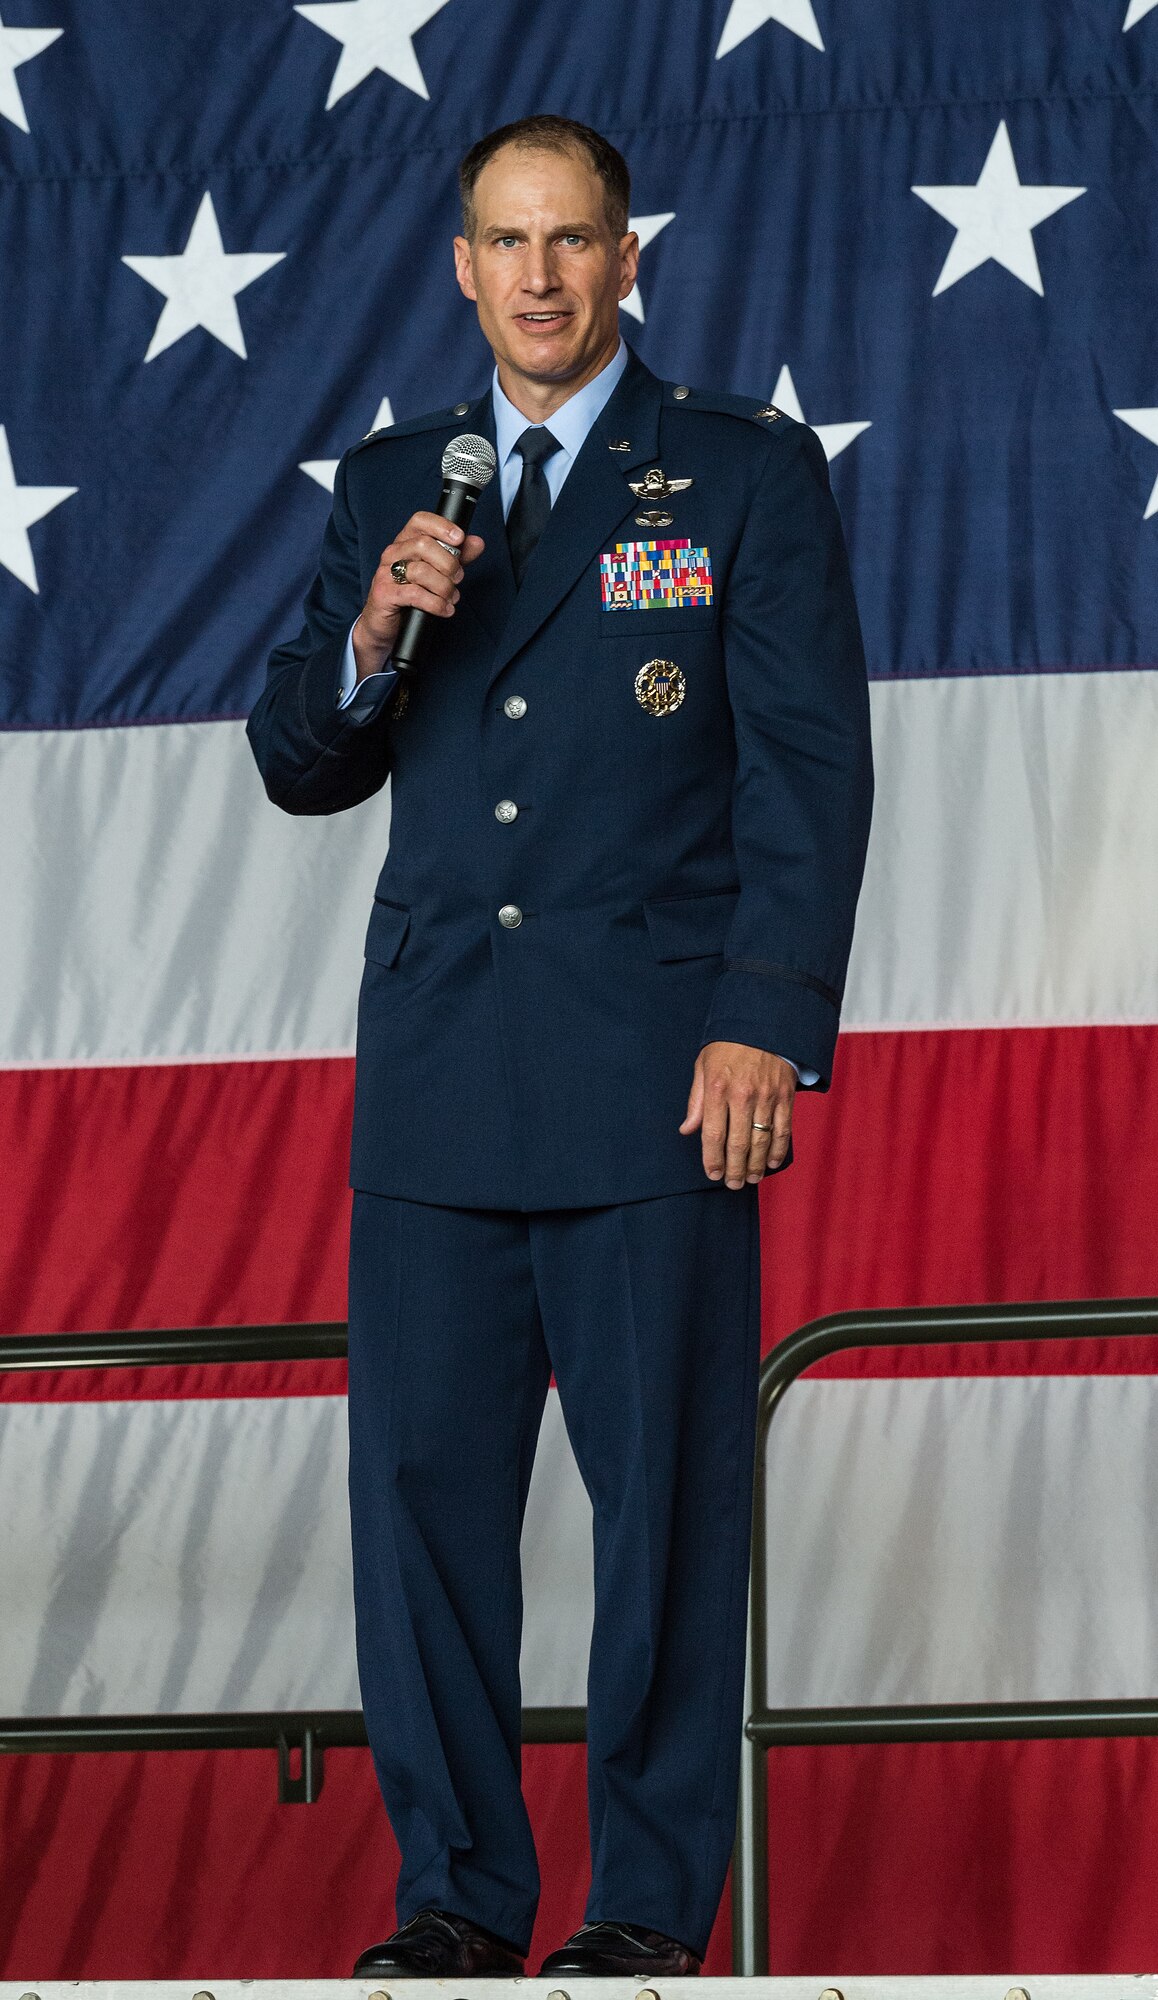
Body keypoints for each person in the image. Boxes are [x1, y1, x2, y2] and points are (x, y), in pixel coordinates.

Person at [247, 113, 873, 1980]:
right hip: (438, 1083)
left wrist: (763, 1022)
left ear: (626, 259)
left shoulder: (739, 477)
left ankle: (636, 1915)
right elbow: (298, 761)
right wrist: (373, 625)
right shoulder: (390, 485)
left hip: (651, 1081)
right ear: (461, 265)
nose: (537, 275)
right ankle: (454, 1895)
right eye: (505, 242)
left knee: (663, 1524)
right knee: (421, 1520)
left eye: (571, 240)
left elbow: (806, 776)